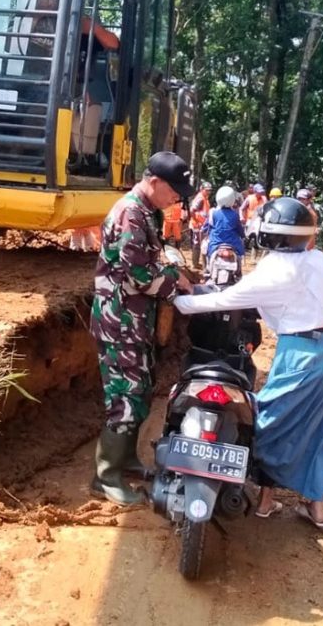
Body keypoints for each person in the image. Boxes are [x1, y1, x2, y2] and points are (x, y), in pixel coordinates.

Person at [174, 197, 323, 528]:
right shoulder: (320, 260)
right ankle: (316, 508)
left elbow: (224, 299)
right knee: (322, 427)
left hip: (299, 351)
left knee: (268, 422)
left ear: (268, 236)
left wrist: (180, 298)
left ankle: (265, 502)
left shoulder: (273, 269)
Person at [90, 151, 194, 505]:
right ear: (154, 182)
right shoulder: (128, 214)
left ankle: (126, 459)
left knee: (141, 390)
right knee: (124, 397)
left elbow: (153, 259)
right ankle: (105, 477)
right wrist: (176, 282)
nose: (176, 197)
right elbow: (138, 276)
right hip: (119, 322)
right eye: (173, 190)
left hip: (136, 322)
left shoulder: (148, 211)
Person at [203, 185, 246, 266]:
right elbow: (240, 229)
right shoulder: (235, 215)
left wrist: (204, 231)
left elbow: (206, 227)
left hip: (216, 242)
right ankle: (238, 271)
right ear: (232, 200)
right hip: (233, 243)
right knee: (239, 255)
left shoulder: (213, 213)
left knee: (205, 251)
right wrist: (243, 235)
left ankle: (206, 269)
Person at [240, 184, 267, 259]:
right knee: (247, 238)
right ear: (255, 191)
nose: (261, 194)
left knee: (257, 239)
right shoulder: (249, 198)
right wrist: (241, 217)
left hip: (259, 220)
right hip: (250, 220)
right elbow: (241, 208)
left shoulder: (264, 199)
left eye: (261, 192)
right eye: (259, 192)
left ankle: (253, 257)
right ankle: (243, 256)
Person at [188, 182, 212, 268]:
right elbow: (192, 210)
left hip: (202, 224)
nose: (208, 192)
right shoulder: (200, 198)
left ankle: (198, 263)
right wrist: (196, 221)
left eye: (210, 191)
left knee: (201, 244)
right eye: (207, 190)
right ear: (202, 189)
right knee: (198, 244)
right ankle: (195, 263)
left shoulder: (205, 198)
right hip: (197, 225)